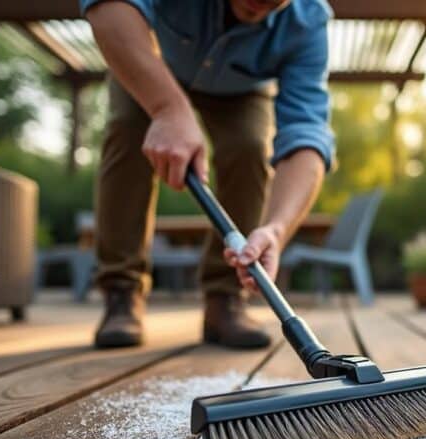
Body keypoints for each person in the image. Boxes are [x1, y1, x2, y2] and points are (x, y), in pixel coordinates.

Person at [81, 0, 334, 349]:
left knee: (248, 146)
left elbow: (307, 133)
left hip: (241, 90)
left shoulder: (309, 22)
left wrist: (277, 228)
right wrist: (166, 108)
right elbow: (109, 6)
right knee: (127, 129)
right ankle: (121, 293)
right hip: (154, 65)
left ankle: (225, 300)